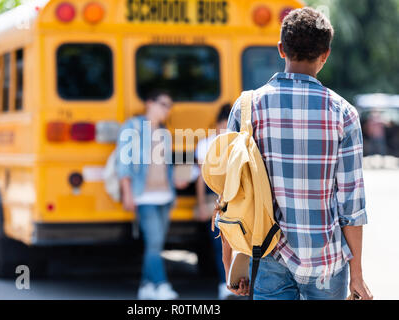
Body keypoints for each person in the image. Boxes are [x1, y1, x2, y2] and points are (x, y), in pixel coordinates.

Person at [223, 7, 373, 300]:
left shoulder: (246, 108)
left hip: (267, 256)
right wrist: (357, 274)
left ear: (281, 49)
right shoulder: (344, 114)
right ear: (325, 55)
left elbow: (231, 196)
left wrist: (231, 264)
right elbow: (352, 206)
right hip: (326, 262)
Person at [116, 90, 187, 300]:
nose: (167, 109)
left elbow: (166, 165)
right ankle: (161, 285)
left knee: (156, 243)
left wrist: (176, 179)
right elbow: (124, 162)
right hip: (143, 196)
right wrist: (127, 193)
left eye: (169, 106)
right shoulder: (133, 127)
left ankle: (146, 286)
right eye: (163, 104)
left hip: (165, 195)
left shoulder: (164, 132)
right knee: (155, 242)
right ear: (149, 103)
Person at [194, 104, 236, 300]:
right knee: (221, 244)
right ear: (217, 123)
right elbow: (202, 178)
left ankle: (237, 283)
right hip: (216, 201)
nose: (225, 129)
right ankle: (224, 283)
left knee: (240, 245)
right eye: (223, 124)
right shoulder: (206, 144)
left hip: (237, 200)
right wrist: (202, 204)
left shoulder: (238, 143)